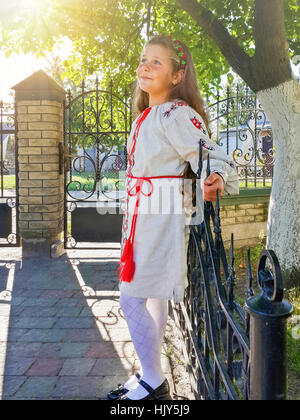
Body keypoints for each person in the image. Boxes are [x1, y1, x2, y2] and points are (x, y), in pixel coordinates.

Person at [108, 34, 239, 400]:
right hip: (141, 216)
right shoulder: (146, 116)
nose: (145, 67)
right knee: (152, 297)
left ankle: (154, 381)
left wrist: (214, 176)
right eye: (143, 60)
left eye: (156, 62)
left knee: (131, 298)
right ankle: (150, 372)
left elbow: (211, 155)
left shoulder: (176, 114)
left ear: (177, 75)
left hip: (160, 218)